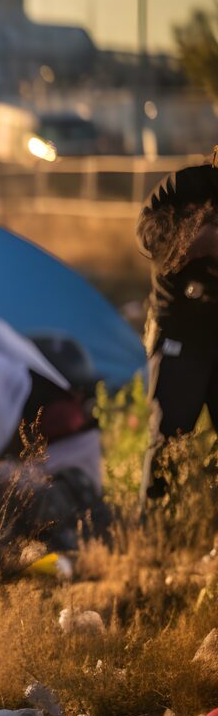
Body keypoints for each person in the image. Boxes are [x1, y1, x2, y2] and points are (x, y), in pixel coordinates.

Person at [137, 148, 218, 504]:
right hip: (182, 333)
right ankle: (154, 533)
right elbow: (147, 237)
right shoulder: (185, 185)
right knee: (170, 437)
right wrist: (196, 239)